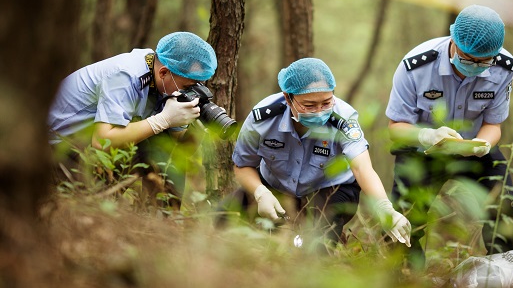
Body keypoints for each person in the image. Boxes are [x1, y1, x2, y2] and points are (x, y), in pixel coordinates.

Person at [217, 58, 410, 248]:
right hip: (275, 185)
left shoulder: (344, 119)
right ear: (287, 98)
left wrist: (386, 209)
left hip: (330, 190)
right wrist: (260, 194)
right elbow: (243, 165)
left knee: (317, 244)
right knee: (221, 219)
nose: (319, 111)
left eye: (326, 103)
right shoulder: (263, 119)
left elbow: (362, 168)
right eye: (309, 105)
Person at [385, 5, 513, 268]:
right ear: (453, 41)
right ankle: (408, 278)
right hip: (421, 149)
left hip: (472, 149)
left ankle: (506, 272)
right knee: (404, 220)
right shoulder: (415, 66)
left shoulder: (504, 67)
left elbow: (494, 124)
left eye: (485, 61)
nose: (476, 66)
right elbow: (396, 127)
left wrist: (483, 144)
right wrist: (426, 135)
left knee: (506, 206)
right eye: (469, 58)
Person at [48, 31, 218, 207]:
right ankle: (96, 209)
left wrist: (198, 127)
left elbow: (176, 151)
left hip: (84, 144)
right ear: (163, 73)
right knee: (146, 146)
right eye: (187, 87)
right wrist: (163, 120)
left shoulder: (161, 80)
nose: (188, 92)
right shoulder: (124, 75)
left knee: (161, 147)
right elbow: (102, 141)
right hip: (55, 148)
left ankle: (164, 222)